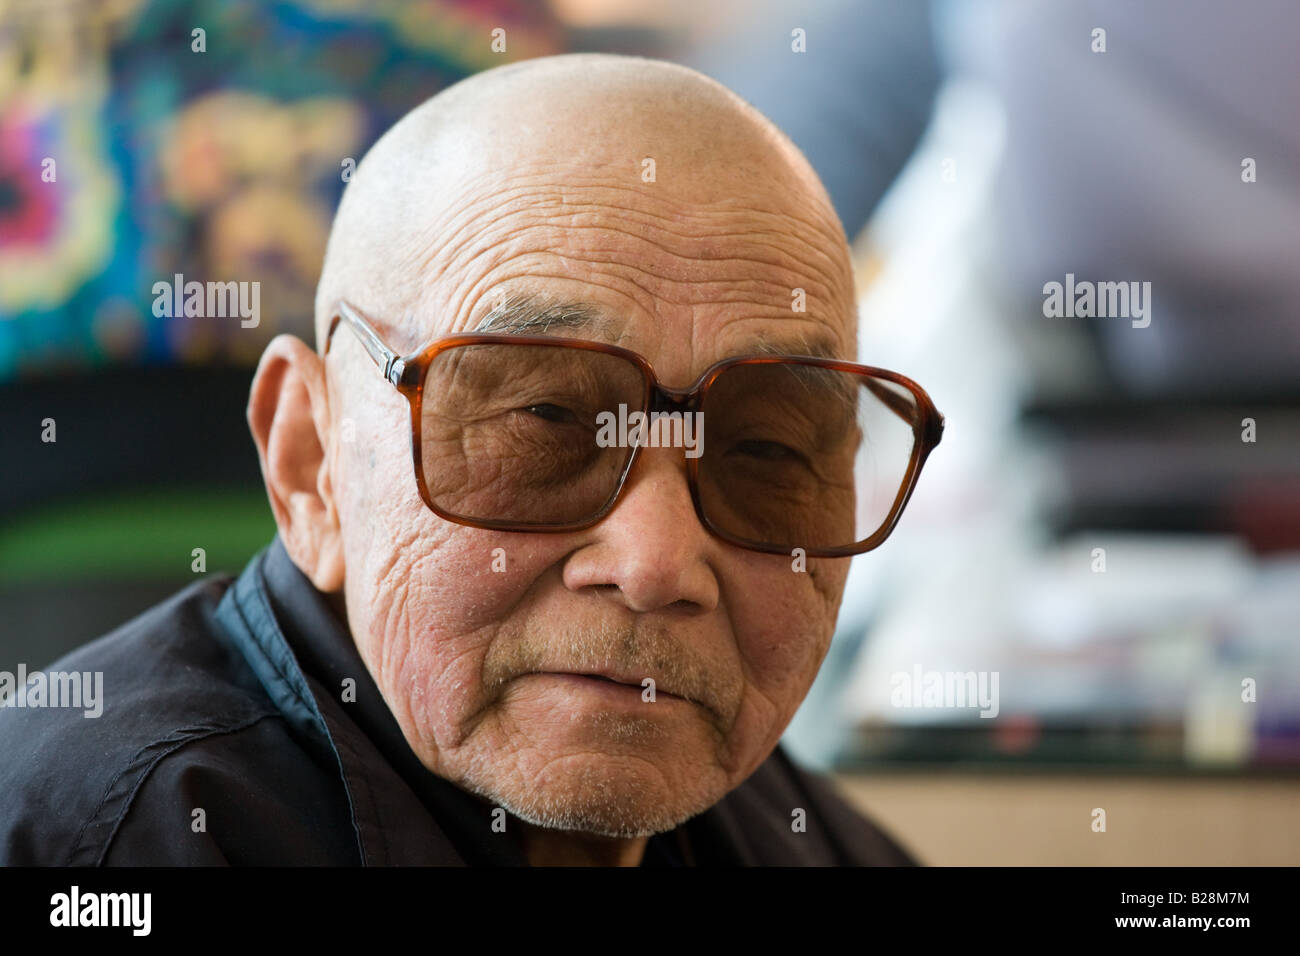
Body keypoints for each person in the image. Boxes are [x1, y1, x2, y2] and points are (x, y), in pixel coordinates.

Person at [0, 53, 942, 866]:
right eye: (542, 422)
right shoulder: (123, 844)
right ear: (310, 462)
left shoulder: (797, 838)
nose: (657, 564)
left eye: (766, 447)